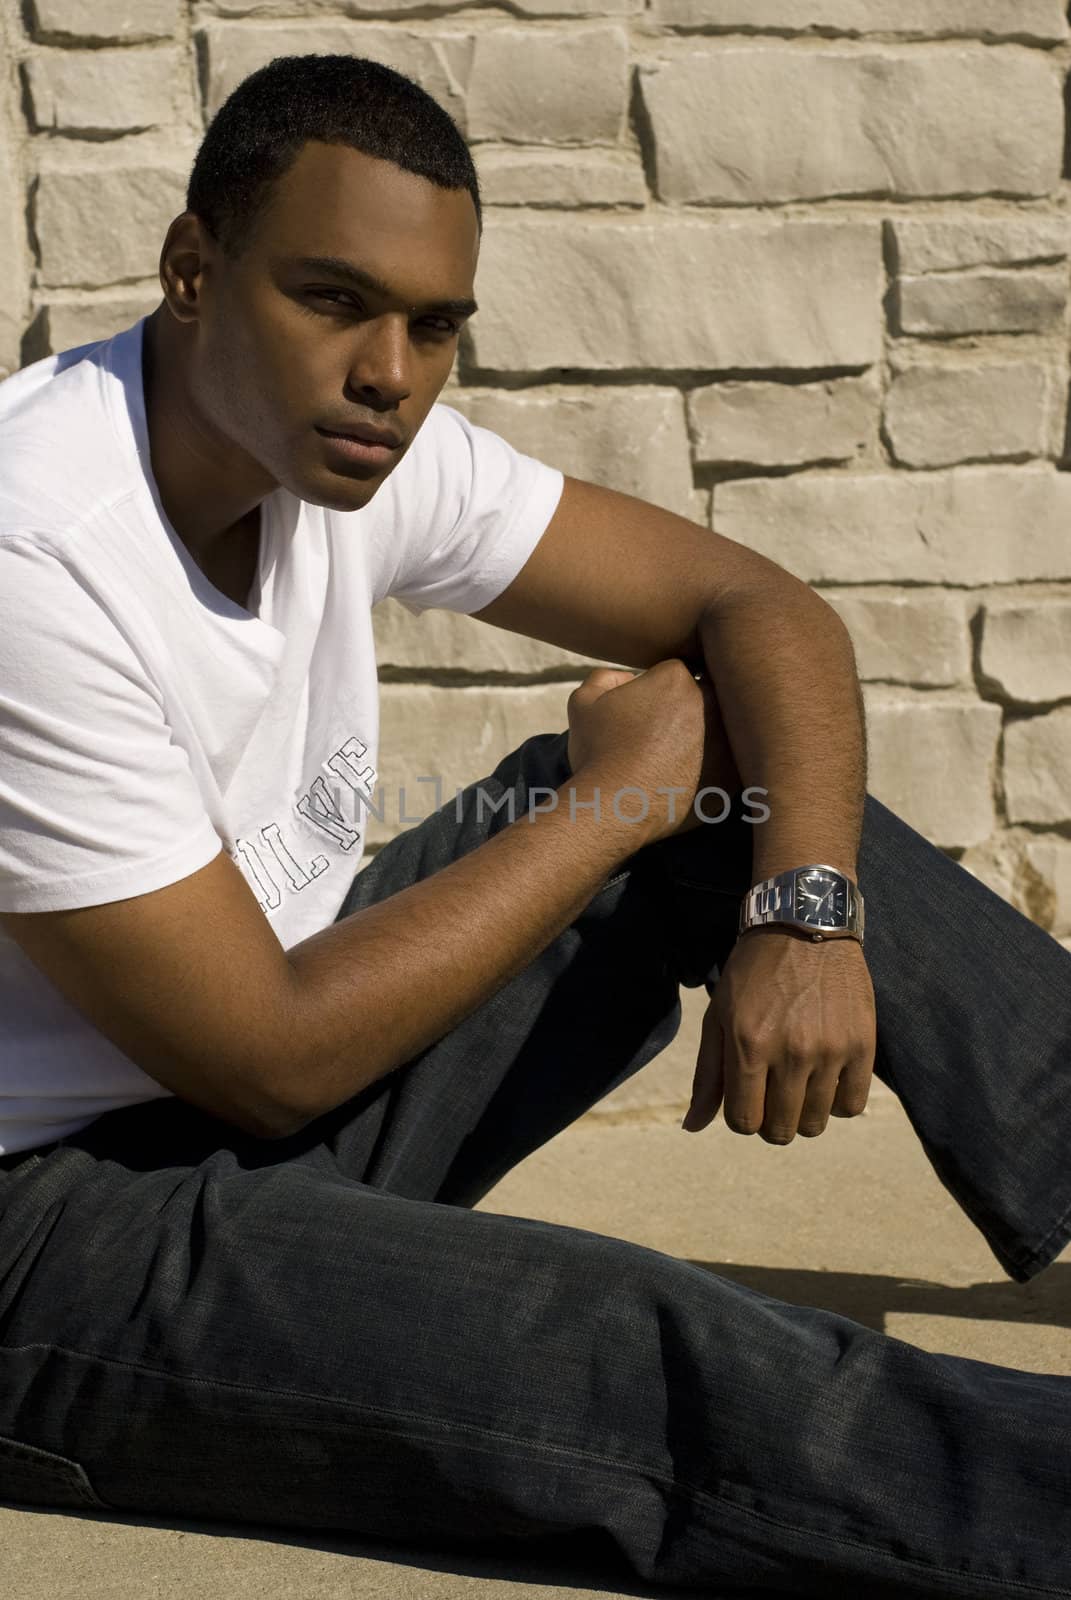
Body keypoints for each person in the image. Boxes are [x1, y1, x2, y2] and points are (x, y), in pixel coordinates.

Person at [0, 51, 1069, 1599]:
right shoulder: (38, 559)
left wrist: (808, 905)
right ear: (191, 270)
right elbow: (263, 1051)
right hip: (45, 1237)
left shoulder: (346, 447)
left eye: (437, 327)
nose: (393, 370)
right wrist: (617, 797)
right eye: (333, 300)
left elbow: (757, 603)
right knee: (640, 1346)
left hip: (255, 1100)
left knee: (734, 791)